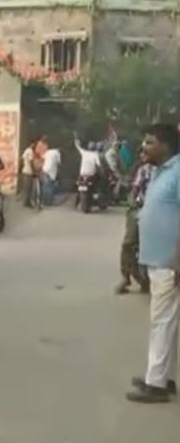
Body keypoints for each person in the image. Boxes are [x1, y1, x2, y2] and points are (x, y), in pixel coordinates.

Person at [126, 124, 180, 404]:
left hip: (169, 262)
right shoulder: (162, 171)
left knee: (161, 321)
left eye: (149, 142)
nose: (143, 147)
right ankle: (164, 377)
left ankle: (155, 384)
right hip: (158, 260)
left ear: (166, 146)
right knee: (167, 323)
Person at [115, 150, 152, 295]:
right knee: (128, 244)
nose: (143, 154)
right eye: (142, 152)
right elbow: (134, 191)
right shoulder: (143, 170)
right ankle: (125, 277)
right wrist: (133, 205)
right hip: (140, 209)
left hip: (160, 213)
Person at [19, 138, 37, 207]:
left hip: (24, 171)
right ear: (32, 144)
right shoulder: (30, 151)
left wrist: (20, 169)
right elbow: (31, 162)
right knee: (28, 188)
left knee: (26, 187)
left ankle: (25, 202)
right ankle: (27, 203)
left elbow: (21, 160)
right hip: (29, 172)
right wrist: (34, 171)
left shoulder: (26, 150)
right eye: (34, 144)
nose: (35, 145)